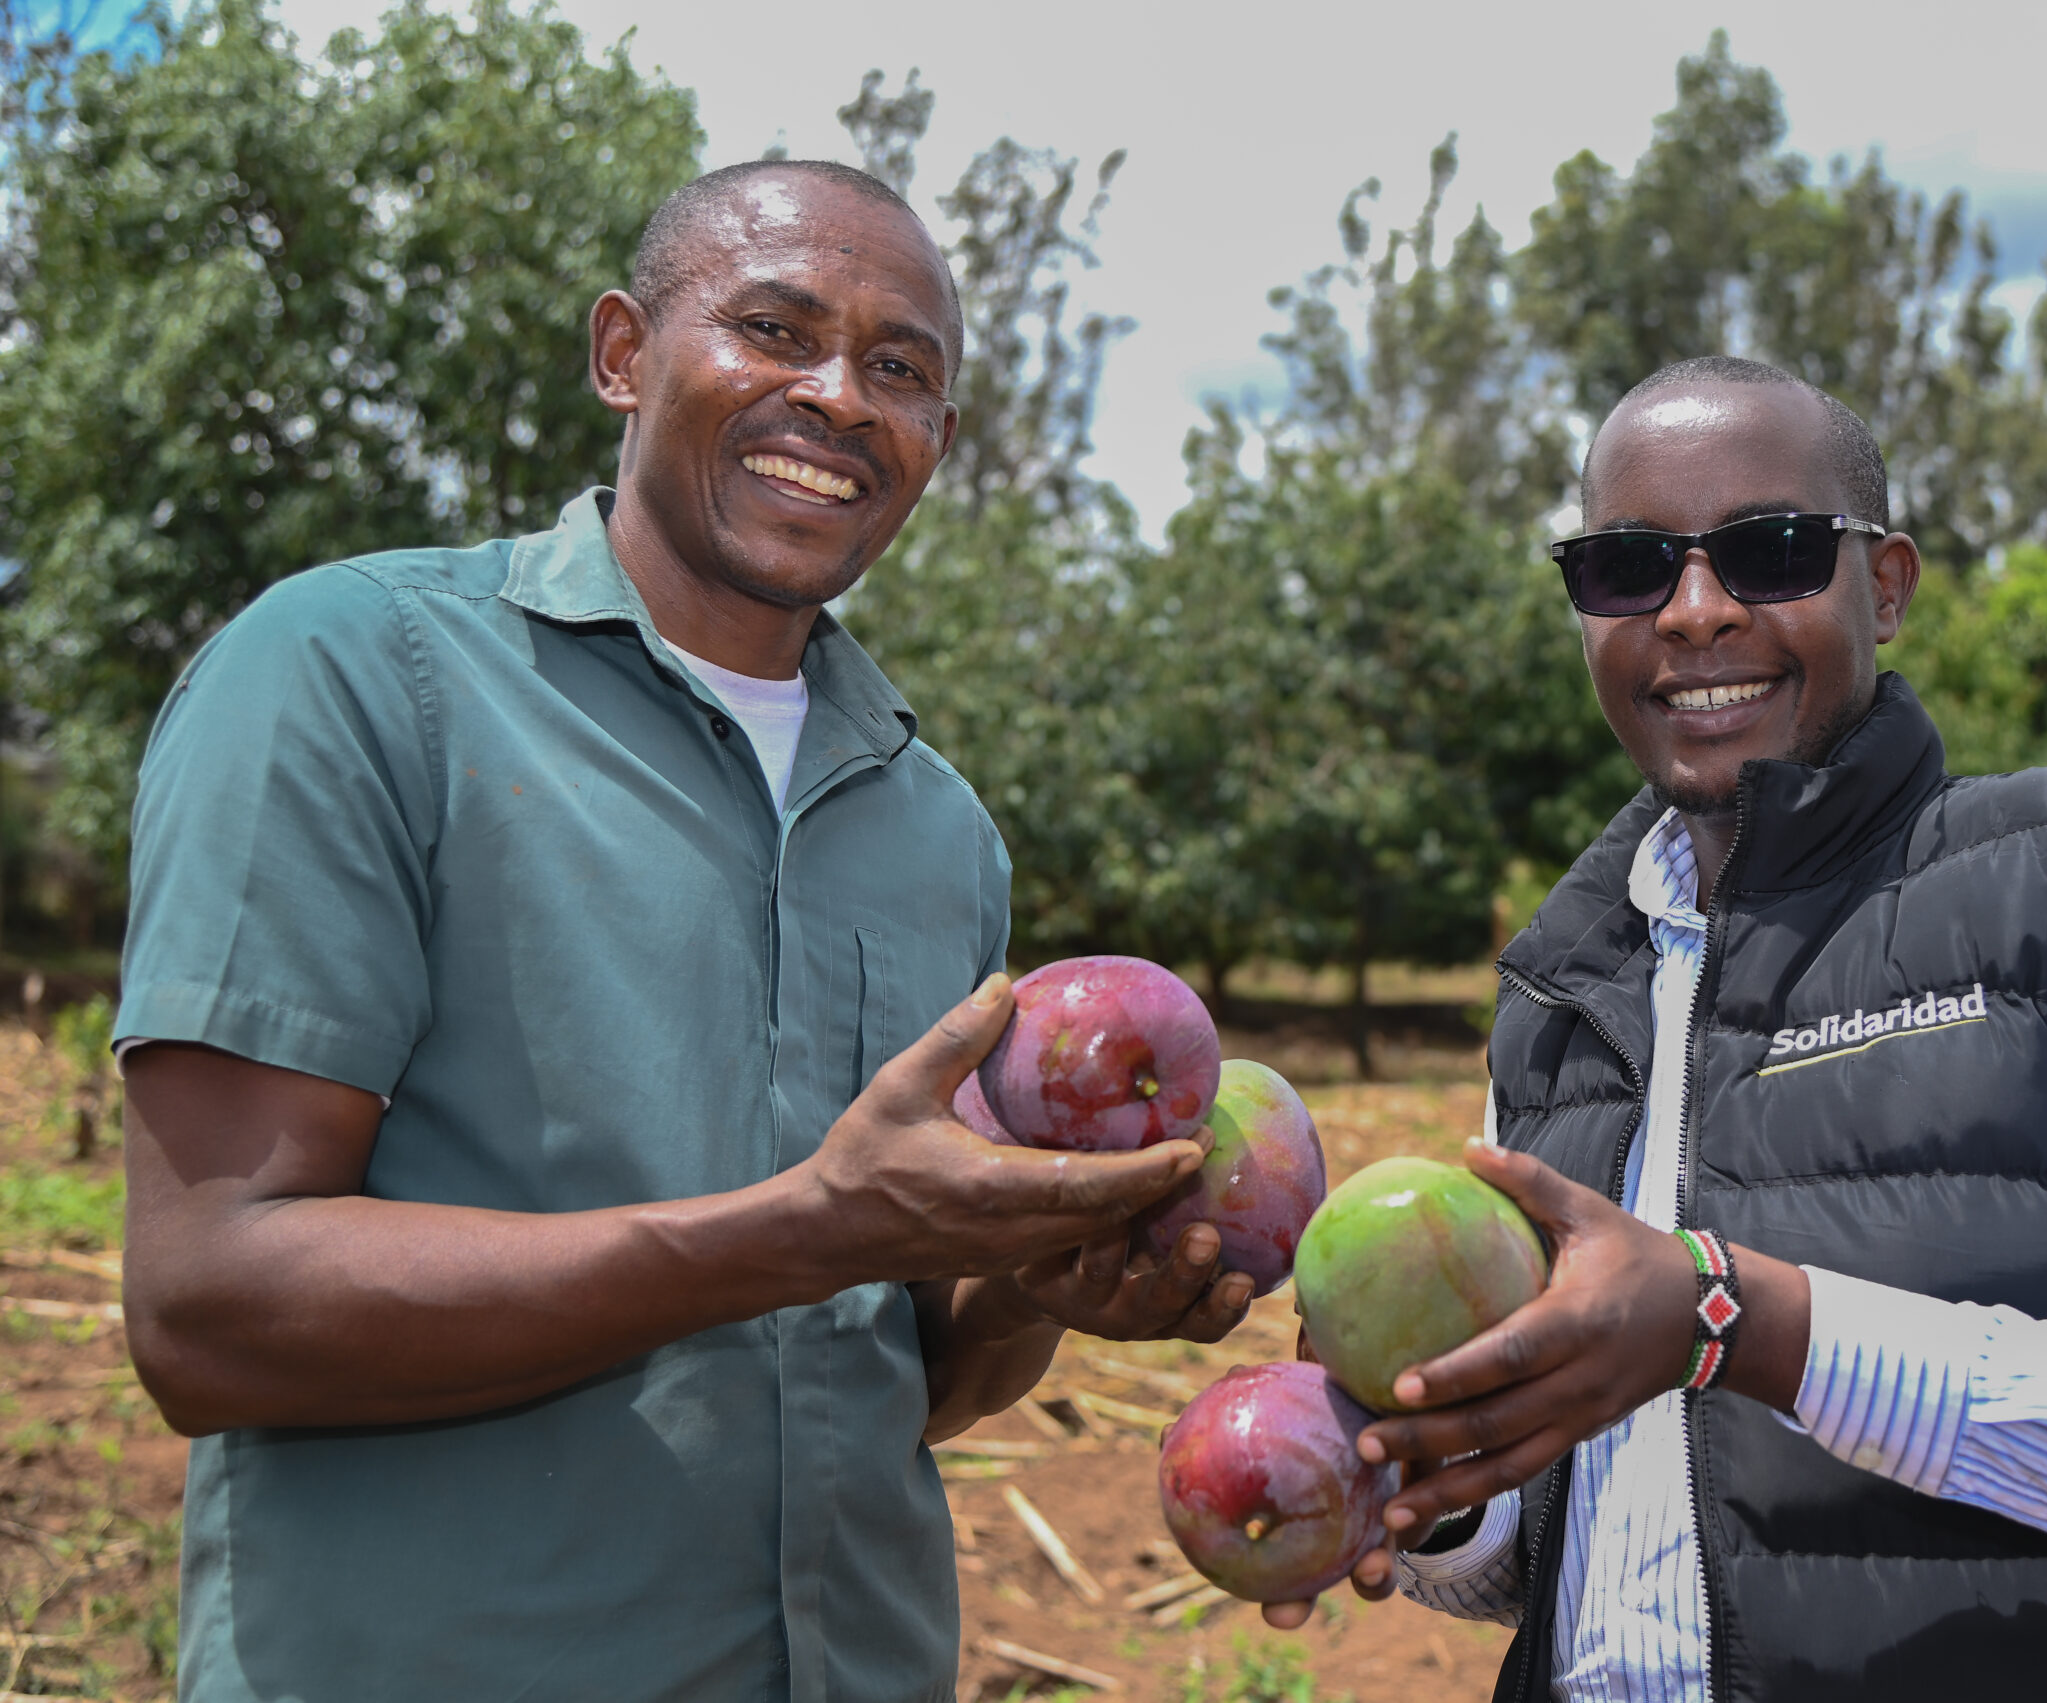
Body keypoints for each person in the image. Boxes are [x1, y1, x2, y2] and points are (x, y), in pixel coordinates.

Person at [114, 160, 1254, 1703]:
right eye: (775, 329)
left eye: (900, 371)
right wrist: (802, 1234)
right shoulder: (355, 677)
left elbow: (892, 1377)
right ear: (622, 355)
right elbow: (211, 1311)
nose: (840, 398)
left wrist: (1033, 1292)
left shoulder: (939, 836)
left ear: (940, 443)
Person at [1266, 356, 2047, 1700]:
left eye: (1770, 551)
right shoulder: (1565, 990)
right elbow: (1600, 1560)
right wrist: (1449, 1490)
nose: (1691, 612)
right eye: (1628, 568)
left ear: (1891, 584)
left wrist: (1746, 1324)